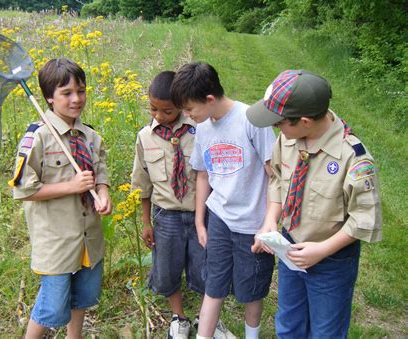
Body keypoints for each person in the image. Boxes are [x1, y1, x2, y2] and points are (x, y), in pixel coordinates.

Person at [248, 69, 382, 338]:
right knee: (288, 322)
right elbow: (277, 178)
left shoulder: (353, 159)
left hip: (332, 260)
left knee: (325, 331)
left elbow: (364, 218)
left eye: (279, 123)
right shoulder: (288, 139)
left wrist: (321, 250)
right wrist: (270, 219)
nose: (276, 129)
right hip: (290, 247)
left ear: (305, 121)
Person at [171, 62, 276, 339]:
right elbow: (203, 175)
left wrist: (269, 223)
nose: (187, 116)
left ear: (209, 99)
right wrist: (199, 221)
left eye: (190, 109)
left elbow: (273, 174)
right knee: (214, 283)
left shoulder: (251, 120)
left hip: (252, 224)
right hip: (219, 219)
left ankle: (251, 335)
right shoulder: (203, 127)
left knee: (250, 288)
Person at [10, 58, 112, 339]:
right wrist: (71, 186)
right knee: (52, 306)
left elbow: (101, 173)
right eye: (66, 93)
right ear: (49, 98)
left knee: (83, 296)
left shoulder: (90, 136)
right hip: (56, 240)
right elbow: (24, 190)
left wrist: (103, 194)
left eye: (81, 90)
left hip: (88, 237)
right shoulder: (38, 137)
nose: (76, 99)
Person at [131, 71, 206, 339]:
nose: (159, 116)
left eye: (167, 111)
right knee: (167, 268)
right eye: (153, 109)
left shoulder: (199, 130)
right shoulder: (145, 137)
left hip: (200, 214)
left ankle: (206, 318)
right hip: (166, 217)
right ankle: (180, 317)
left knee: (204, 268)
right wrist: (146, 222)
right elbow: (142, 184)